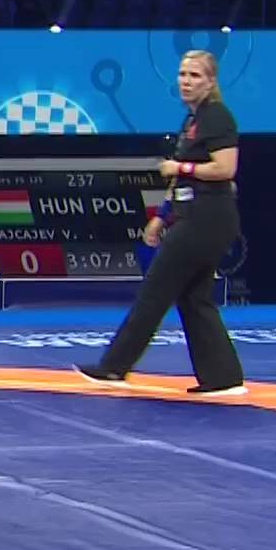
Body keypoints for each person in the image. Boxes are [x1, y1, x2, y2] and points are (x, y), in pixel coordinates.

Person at [77, 50, 246, 395]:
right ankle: (223, 377)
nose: (186, 81)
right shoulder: (193, 120)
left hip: (207, 218)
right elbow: (180, 181)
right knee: (194, 297)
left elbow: (226, 168)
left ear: (211, 82)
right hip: (192, 215)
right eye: (183, 74)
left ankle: (114, 367)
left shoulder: (217, 116)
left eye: (195, 76)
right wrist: (160, 217)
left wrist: (181, 167)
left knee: (156, 290)